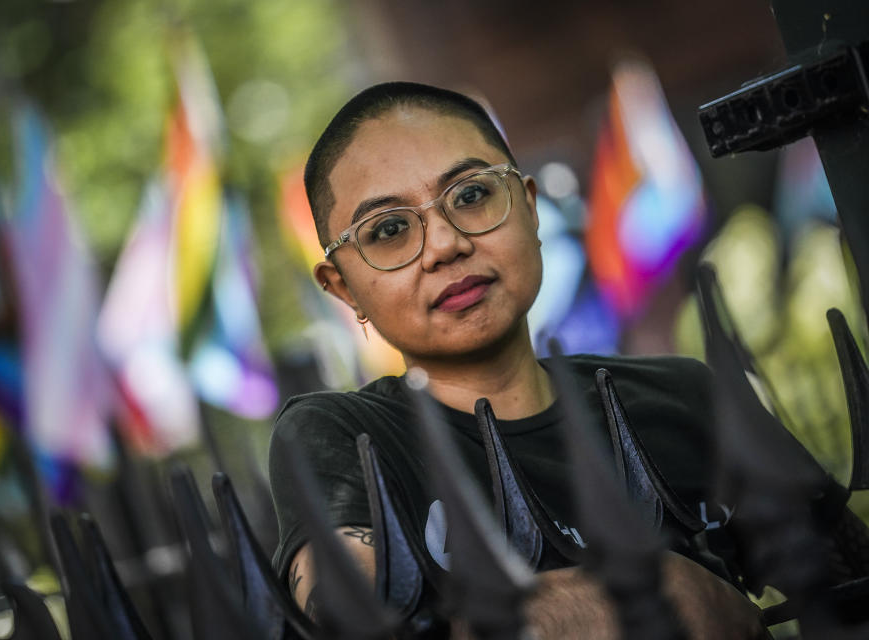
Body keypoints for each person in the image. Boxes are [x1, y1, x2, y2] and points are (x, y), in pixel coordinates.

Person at [268, 81, 767, 638]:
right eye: (387, 230)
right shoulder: (343, 438)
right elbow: (353, 618)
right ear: (344, 290)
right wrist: (650, 591)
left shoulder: (684, 393)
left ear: (529, 208)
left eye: (472, 195)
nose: (443, 246)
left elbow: (842, 582)